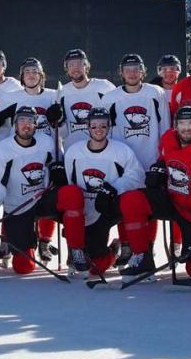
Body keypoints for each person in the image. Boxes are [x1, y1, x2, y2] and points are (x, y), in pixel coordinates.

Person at [0, 106, 89, 276]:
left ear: (36, 124)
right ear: (15, 125)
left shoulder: (46, 142)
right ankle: (17, 245)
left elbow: (59, 163)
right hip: (18, 205)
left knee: (72, 193)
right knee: (23, 267)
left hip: (43, 198)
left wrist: (58, 170)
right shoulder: (2, 150)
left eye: (30, 121)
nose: (26, 125)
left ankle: (76, 251)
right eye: (22, 120)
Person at [118, 103, 191, 283]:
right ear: (175, 125)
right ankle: (142, 257)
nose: (186, 128)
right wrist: (159, 169)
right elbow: (165, 159)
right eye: (182, 123)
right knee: (131, 200)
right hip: (172, 201)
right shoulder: (168, 139)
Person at [59, 107, 146, 280]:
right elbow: (71, 181)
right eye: (94, 126)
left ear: (109, 127)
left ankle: (115, 249)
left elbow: (136, 176)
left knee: (96, 269)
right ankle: (76, 249)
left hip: (107, 209)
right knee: (70, 195)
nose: (99, 129)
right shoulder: (74, 152)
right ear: (88, 127)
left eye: (103, 126)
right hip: (84, 210)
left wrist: (113, 188)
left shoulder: (121, 150)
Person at [101, 53, 171, 265]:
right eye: (127, 69)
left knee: (149, 206)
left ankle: (147, 247)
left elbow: (165, 126)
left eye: (136, 68)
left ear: (143, 71)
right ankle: (126, 245)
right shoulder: (111, 98)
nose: (132, 72)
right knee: (125, 202)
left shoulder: (155, 92)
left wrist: (163, 158)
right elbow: (106, 131)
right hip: (124, 162)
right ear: (121, 73)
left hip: (150, 158)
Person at [51, 48, 115, 149]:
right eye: (71, 65)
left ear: (86, 66)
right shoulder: (61, 93)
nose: (75, 68)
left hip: (103, 150)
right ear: (66, 68)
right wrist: (59, 122)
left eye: (79, 64)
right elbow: (63, 134)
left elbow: (115, 122)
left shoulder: (104, 87)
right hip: (74, 151)